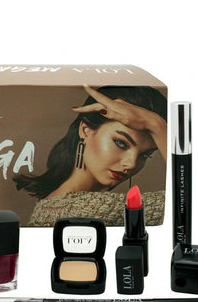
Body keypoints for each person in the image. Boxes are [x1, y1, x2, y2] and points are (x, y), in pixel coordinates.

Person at [14, 85, 167, 226]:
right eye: (121, 143)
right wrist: (157, 126)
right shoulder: (85, 210)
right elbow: (180, 201)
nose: (132, 163)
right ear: (85, 130)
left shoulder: (50, 204)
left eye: (145, 155)